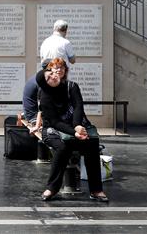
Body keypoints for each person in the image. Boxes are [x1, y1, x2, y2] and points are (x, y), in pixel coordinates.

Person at [37, 58, 108, 202]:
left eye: (52, 73)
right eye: (49, 77)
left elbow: (78, 107)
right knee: (63, 147)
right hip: (52, 130)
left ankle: (96, 190)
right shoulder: (45, 96)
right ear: (45, 84)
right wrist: (74, 132)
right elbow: (55, 122)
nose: (53, 75)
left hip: (75, 125)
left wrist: (77, 126)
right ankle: (52, 188)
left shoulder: (72, 86)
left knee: (92, 143)